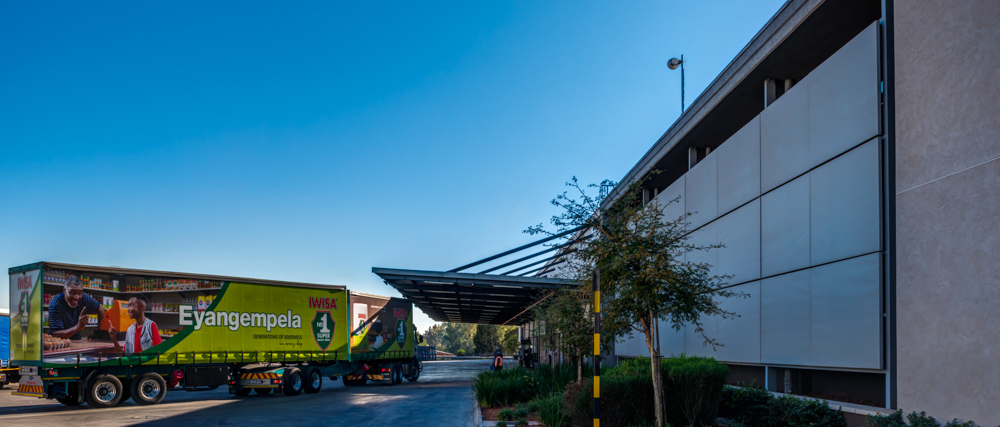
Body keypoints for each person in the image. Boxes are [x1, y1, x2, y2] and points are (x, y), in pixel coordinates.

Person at [48, 275, 106, 340]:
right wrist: (78, 327)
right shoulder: (56, 303)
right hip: (57, 342)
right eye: (72, 293)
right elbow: (57, 334)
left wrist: (99, 335)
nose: (76, 297)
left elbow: (101, 309)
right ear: (64, 290)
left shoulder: (84, 298)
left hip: (76, 340)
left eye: (79, 293)